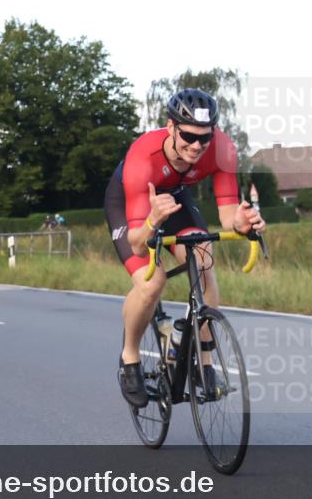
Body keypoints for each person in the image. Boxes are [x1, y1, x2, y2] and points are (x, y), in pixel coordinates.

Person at [104, 89, 265, 407]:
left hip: (175, 200)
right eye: (188, 136)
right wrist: (152, 220)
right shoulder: (143, 158)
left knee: (204, 259)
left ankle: (205, 365)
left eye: (204, 138)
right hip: (131, 206)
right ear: (170, 127)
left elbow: (228, 213)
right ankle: (130, 357)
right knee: (152, 283)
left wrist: (242, 223)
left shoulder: (222, 150)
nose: (196, 146)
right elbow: (138, 245)